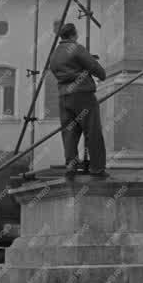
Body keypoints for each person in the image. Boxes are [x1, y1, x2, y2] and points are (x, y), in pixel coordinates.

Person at [49, 22, 107, 180]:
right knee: (92, 130)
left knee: (69, 133)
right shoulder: (76, 48)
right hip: (82, 94)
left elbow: (59, 71)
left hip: (64, 97)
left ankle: (71, 167)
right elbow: (93, 66)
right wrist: (102, 75)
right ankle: (97, 168)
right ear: (74, 34)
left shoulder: (54, 54)